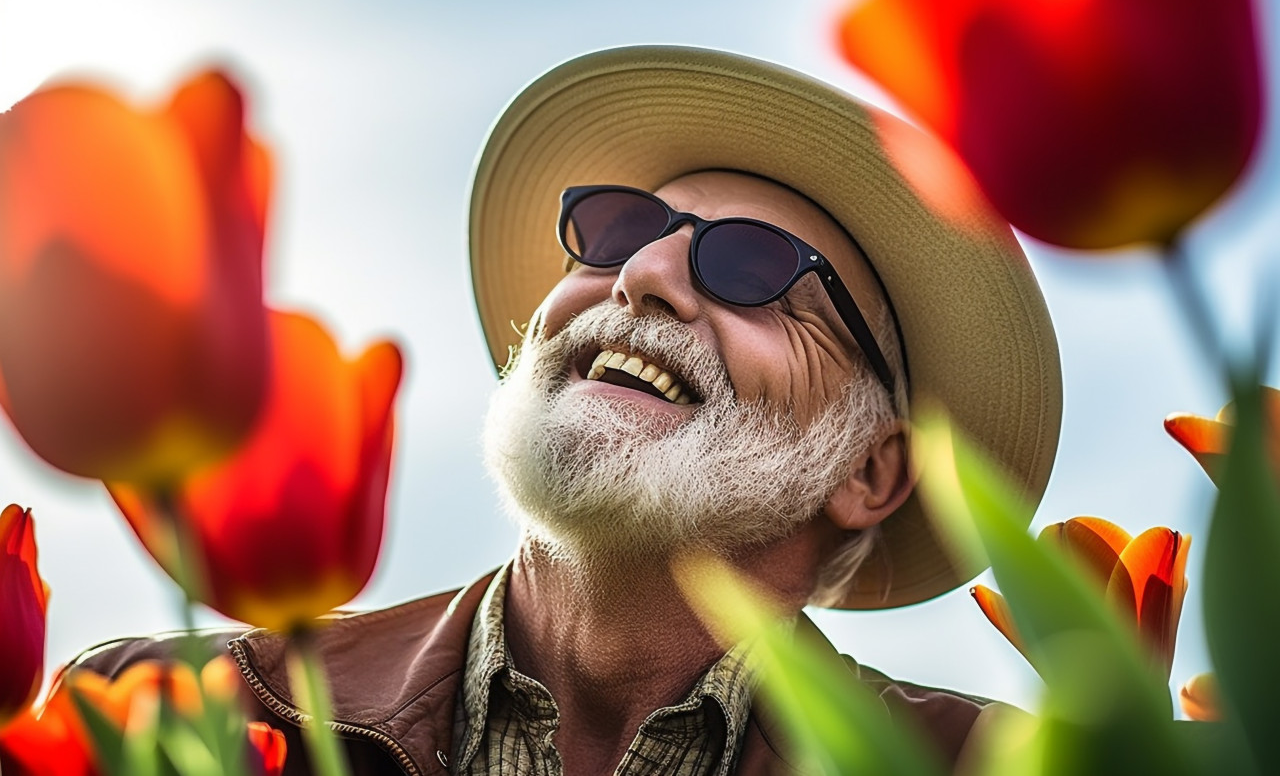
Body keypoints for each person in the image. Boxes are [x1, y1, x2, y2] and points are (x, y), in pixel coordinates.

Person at [80, 46, 1062, 775]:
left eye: (752, 267)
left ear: (868, 473)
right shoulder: (149, 717)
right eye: (617, 230)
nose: (640, 274)